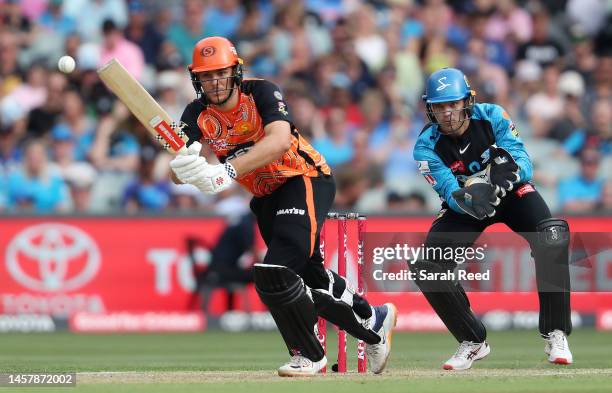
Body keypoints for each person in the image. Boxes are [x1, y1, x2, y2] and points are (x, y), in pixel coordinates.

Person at [168, 36, 397, 376]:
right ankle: (373, 321)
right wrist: (184, 170)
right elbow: (176, 171)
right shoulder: (195, 114)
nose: (214, 82)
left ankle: (309, 355)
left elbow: (278, 141)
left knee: (273, 273)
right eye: (206, 76)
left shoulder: (261, 92)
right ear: (196, 79)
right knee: (311, 278)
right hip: (266, 197)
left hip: (303, 177)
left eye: (221, 73)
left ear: (235, 71)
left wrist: (225, 171)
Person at [412, 68, 572, 370]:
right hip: (468, 206)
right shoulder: (425, 146)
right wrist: (473, 193)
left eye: (453, 104)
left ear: (466, 102)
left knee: (552, 236)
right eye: (439, 106)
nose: (447, 113)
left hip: (510, 194)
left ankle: (556, 332)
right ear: (430, 108)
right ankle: (472, 340)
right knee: (429, 267)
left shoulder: (493, 116)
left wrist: (505, 175)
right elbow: (449, 191)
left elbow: (523, 162)